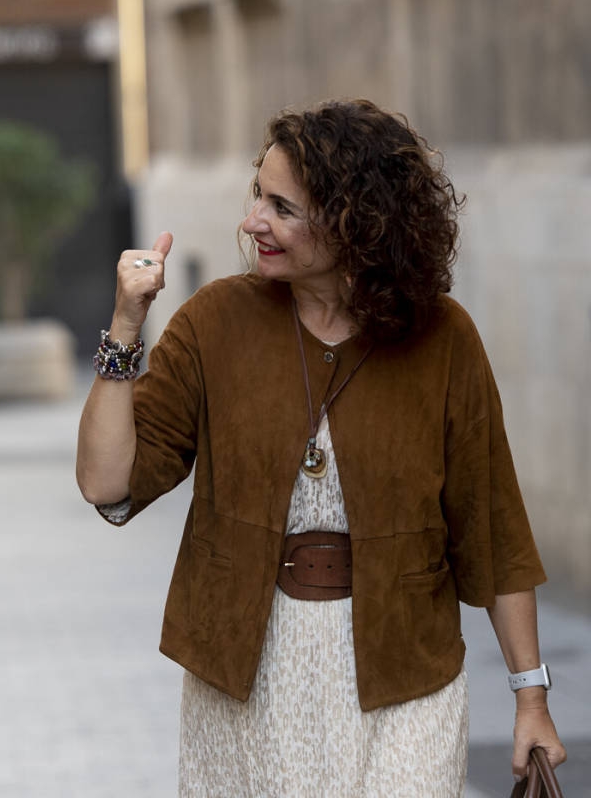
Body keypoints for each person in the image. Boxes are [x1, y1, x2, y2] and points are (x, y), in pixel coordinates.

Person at [76, 99, 566, 795]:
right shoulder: (215, 323)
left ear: (354, 222)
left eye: (282, 207)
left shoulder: (443, 340)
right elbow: (105, 482)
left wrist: (531, 698)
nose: (253, 222)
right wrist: (126, 326)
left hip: (406, 681)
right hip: (246, 682)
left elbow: (493, 528)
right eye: (257, 196)